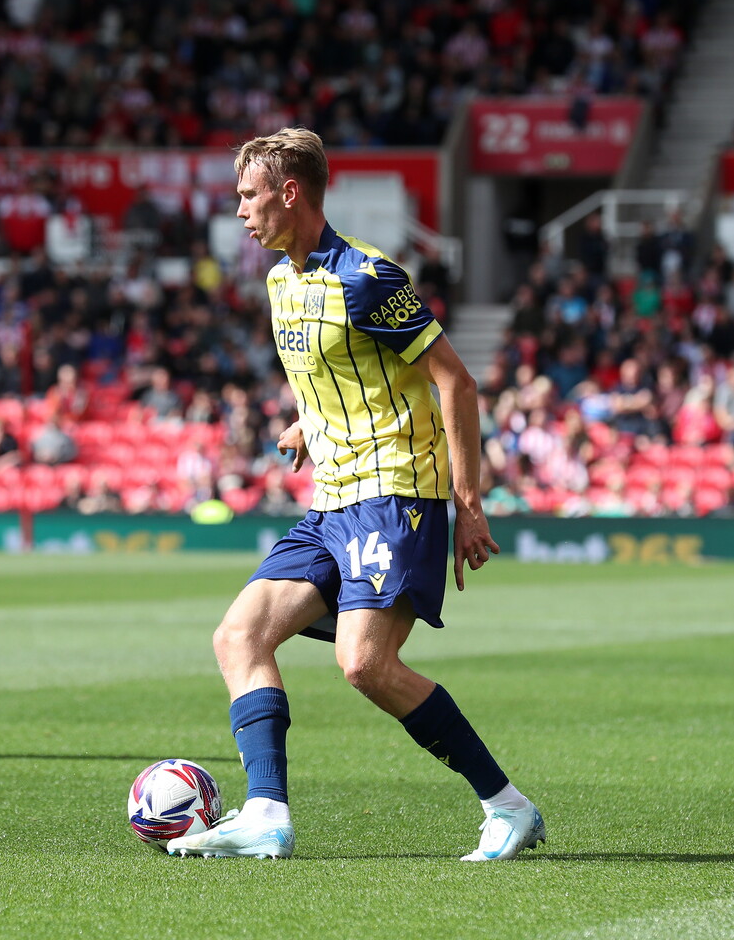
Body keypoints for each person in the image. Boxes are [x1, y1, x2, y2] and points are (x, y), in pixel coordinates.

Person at [166, 128, 542, 863]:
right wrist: (307, 419)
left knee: (364, 665)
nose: (240, 210)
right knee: (238, 636)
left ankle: (508, 807)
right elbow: (339, 374)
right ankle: (267, 814)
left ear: (290, 192)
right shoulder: (281, 280)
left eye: (249, 195)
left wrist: (468, 501)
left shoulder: (367, 276)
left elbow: (453, 381)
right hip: (330, 500)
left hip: (395, 493)